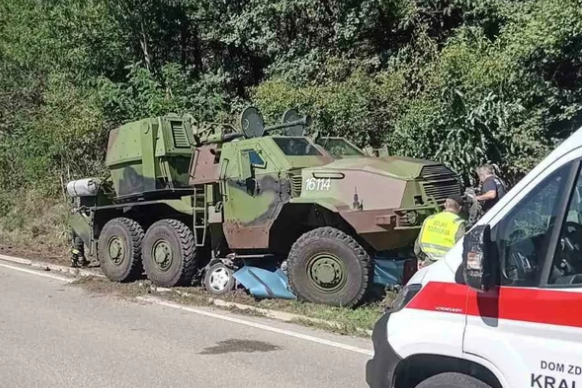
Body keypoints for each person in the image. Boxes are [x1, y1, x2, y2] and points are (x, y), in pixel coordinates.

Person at [414, 195, 466, 270]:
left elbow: (417, 246)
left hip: (428, 263)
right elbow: (460, 247)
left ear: (445, 205)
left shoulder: (429, 219)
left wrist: (420, 259)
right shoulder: (458, 223)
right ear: (460, 208)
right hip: (447, 264)